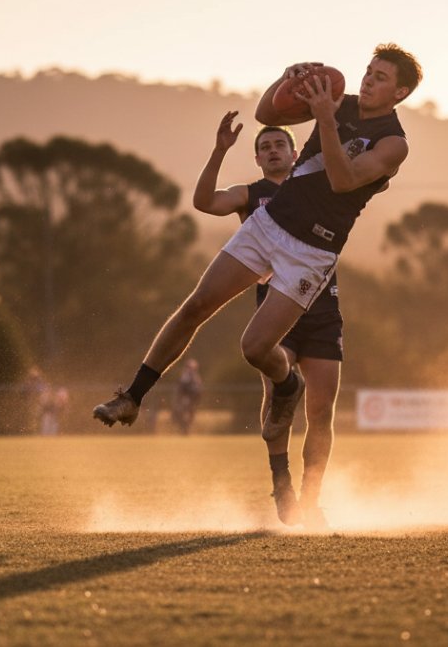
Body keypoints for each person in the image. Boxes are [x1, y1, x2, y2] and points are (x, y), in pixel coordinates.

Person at [93, 42, 421, 494]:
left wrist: (325, 116)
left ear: (399, 93)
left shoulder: (393, 142)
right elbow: (271, 113)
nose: (367, 80)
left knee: (254, 347)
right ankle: (132, 396)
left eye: (380, 77)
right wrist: (288, 81)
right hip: (271, 224)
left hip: (312, 251)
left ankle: (288, 388)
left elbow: (344, 179)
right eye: (369, 70)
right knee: (196, 305)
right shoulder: (338, 98)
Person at [191, 118, 343, 527]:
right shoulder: (252, 194)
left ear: (296, 154)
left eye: (281, 144)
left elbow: (356, 179)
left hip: (323, 310)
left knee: (322, 410)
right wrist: (220, 149)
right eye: (266, 146)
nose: (274, 149)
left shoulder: (319, 185)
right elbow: (205, 201)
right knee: (280, 398)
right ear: (257, 159)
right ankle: (282, 483)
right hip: (276, 311)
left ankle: (312, 501)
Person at [171, 358, 203, 435]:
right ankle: (183, 429)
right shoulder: (185, 376)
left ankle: (185, 428)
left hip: (192, 399)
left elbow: (198, 390)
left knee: (190, 414)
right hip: (186, 398)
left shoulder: (196, 377)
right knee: (183, 413)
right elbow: (182, 388)